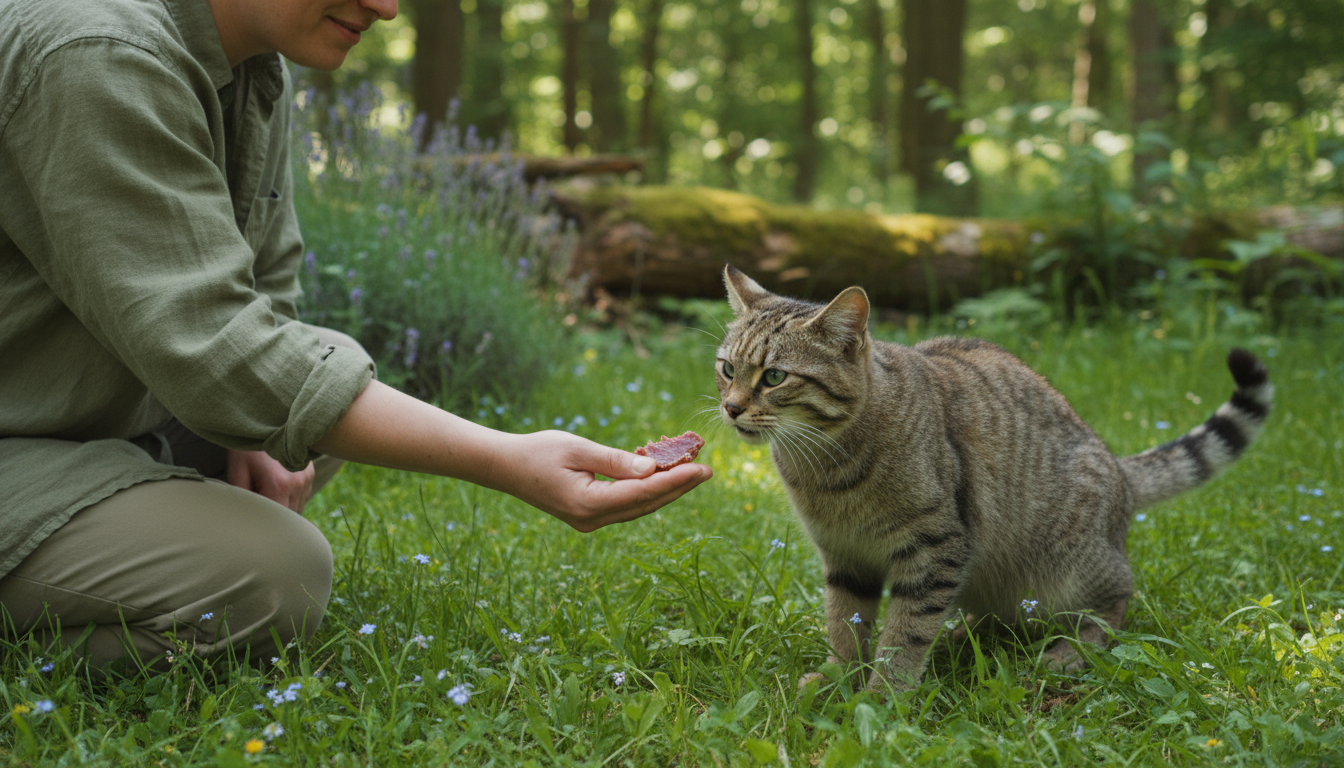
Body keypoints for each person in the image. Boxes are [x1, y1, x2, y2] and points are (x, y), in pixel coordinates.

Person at [0, 0, 711, 672]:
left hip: (79, 415)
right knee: (276, 576)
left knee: (331, 375)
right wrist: (505, 458)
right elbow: (216, 345)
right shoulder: (95, 53)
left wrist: (245, 431)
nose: (388, 8)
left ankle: (139, 519)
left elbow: (262, 292)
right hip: (19, 440)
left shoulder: (252, 66)